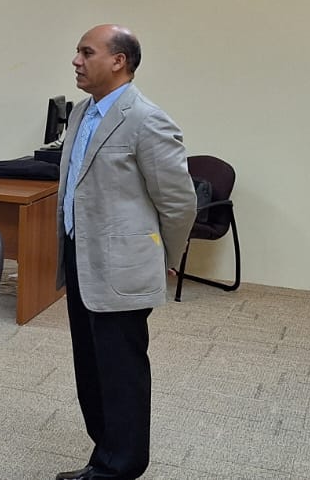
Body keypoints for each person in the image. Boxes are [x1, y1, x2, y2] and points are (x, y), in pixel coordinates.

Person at [55, 25, 195, 480]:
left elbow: (179, 203)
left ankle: (122, 466)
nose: (76, 60)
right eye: (77, 52)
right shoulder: (81, 112)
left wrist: (162, 257)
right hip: (80, 257)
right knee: (91, 366)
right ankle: (105, 454)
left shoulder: (146, 119)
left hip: (123, 267)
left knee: (120, 371)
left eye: (87, 52)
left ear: (119, 61)